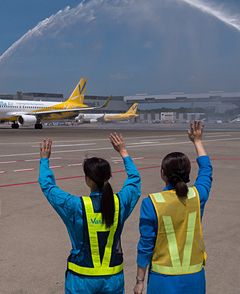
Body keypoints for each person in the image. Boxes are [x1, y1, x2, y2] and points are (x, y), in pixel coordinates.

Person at [38, 133, 141, 294]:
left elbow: (48, 186)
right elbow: (134, 181)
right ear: (108, 177)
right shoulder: (119, 203)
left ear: (88, 179)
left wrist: (44, 160)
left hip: (81, 279)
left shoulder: (76, 206)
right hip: (113, 279)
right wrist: (123, 152)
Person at [134, 120, 211, 294]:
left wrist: (140, 281)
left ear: (163, 173)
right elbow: (207, 170)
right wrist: (198, 142)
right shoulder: (197, 196)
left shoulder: (152, 202)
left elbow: (145, 245)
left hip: (163, 281)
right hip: (195, 278)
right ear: (188, 174)